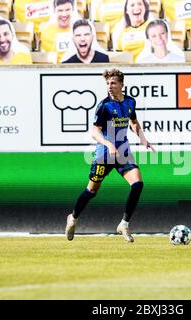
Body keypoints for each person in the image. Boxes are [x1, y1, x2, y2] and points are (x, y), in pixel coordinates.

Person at [65, 69, 155, 243]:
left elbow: (133, 122)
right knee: (91, 191)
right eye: (107, 83)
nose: (110, 86)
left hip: (123, 152)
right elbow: (95, 132)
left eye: (113, 83)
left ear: (122, 84)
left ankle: (124, 224)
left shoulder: (130, 102)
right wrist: (108, 143)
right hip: (104, 154)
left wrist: (143, 139)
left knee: (137, 185)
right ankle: (73, 217)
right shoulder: (104, 105)